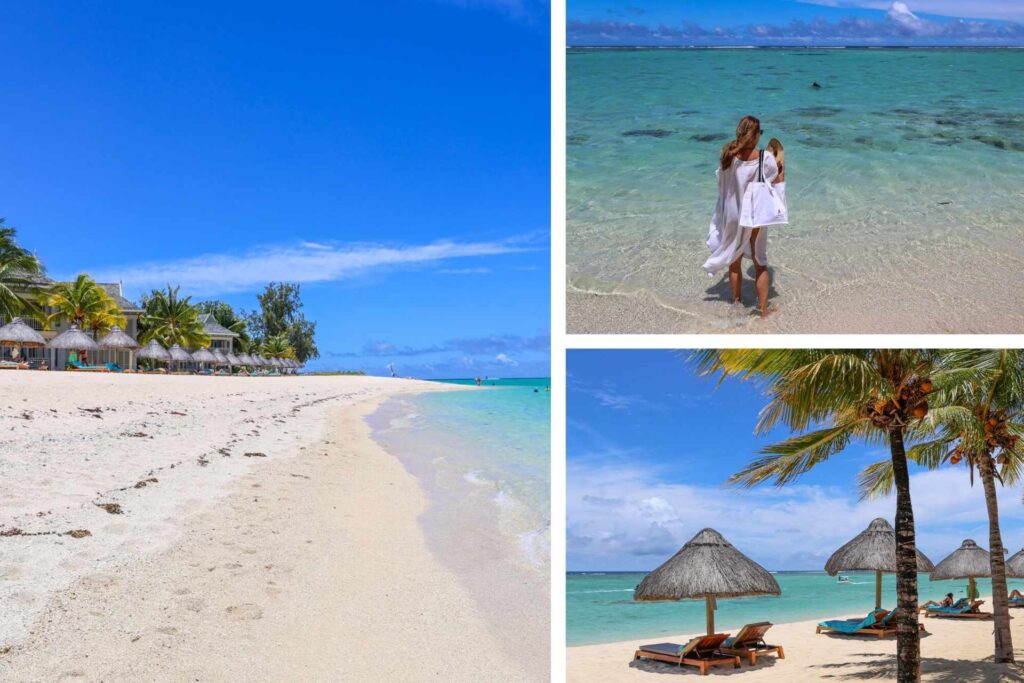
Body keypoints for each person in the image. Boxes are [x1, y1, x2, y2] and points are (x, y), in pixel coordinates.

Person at [703, 115, 784, 318]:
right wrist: (782, 169)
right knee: (760, 261)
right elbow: (775, 183)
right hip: (753, 216)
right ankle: (763, 311)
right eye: (760, 133)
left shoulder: (728, 156)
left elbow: (721, 183)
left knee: (734, 259)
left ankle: (736, 302)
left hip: (732, 214)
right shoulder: (765, 158)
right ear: (755, 136)